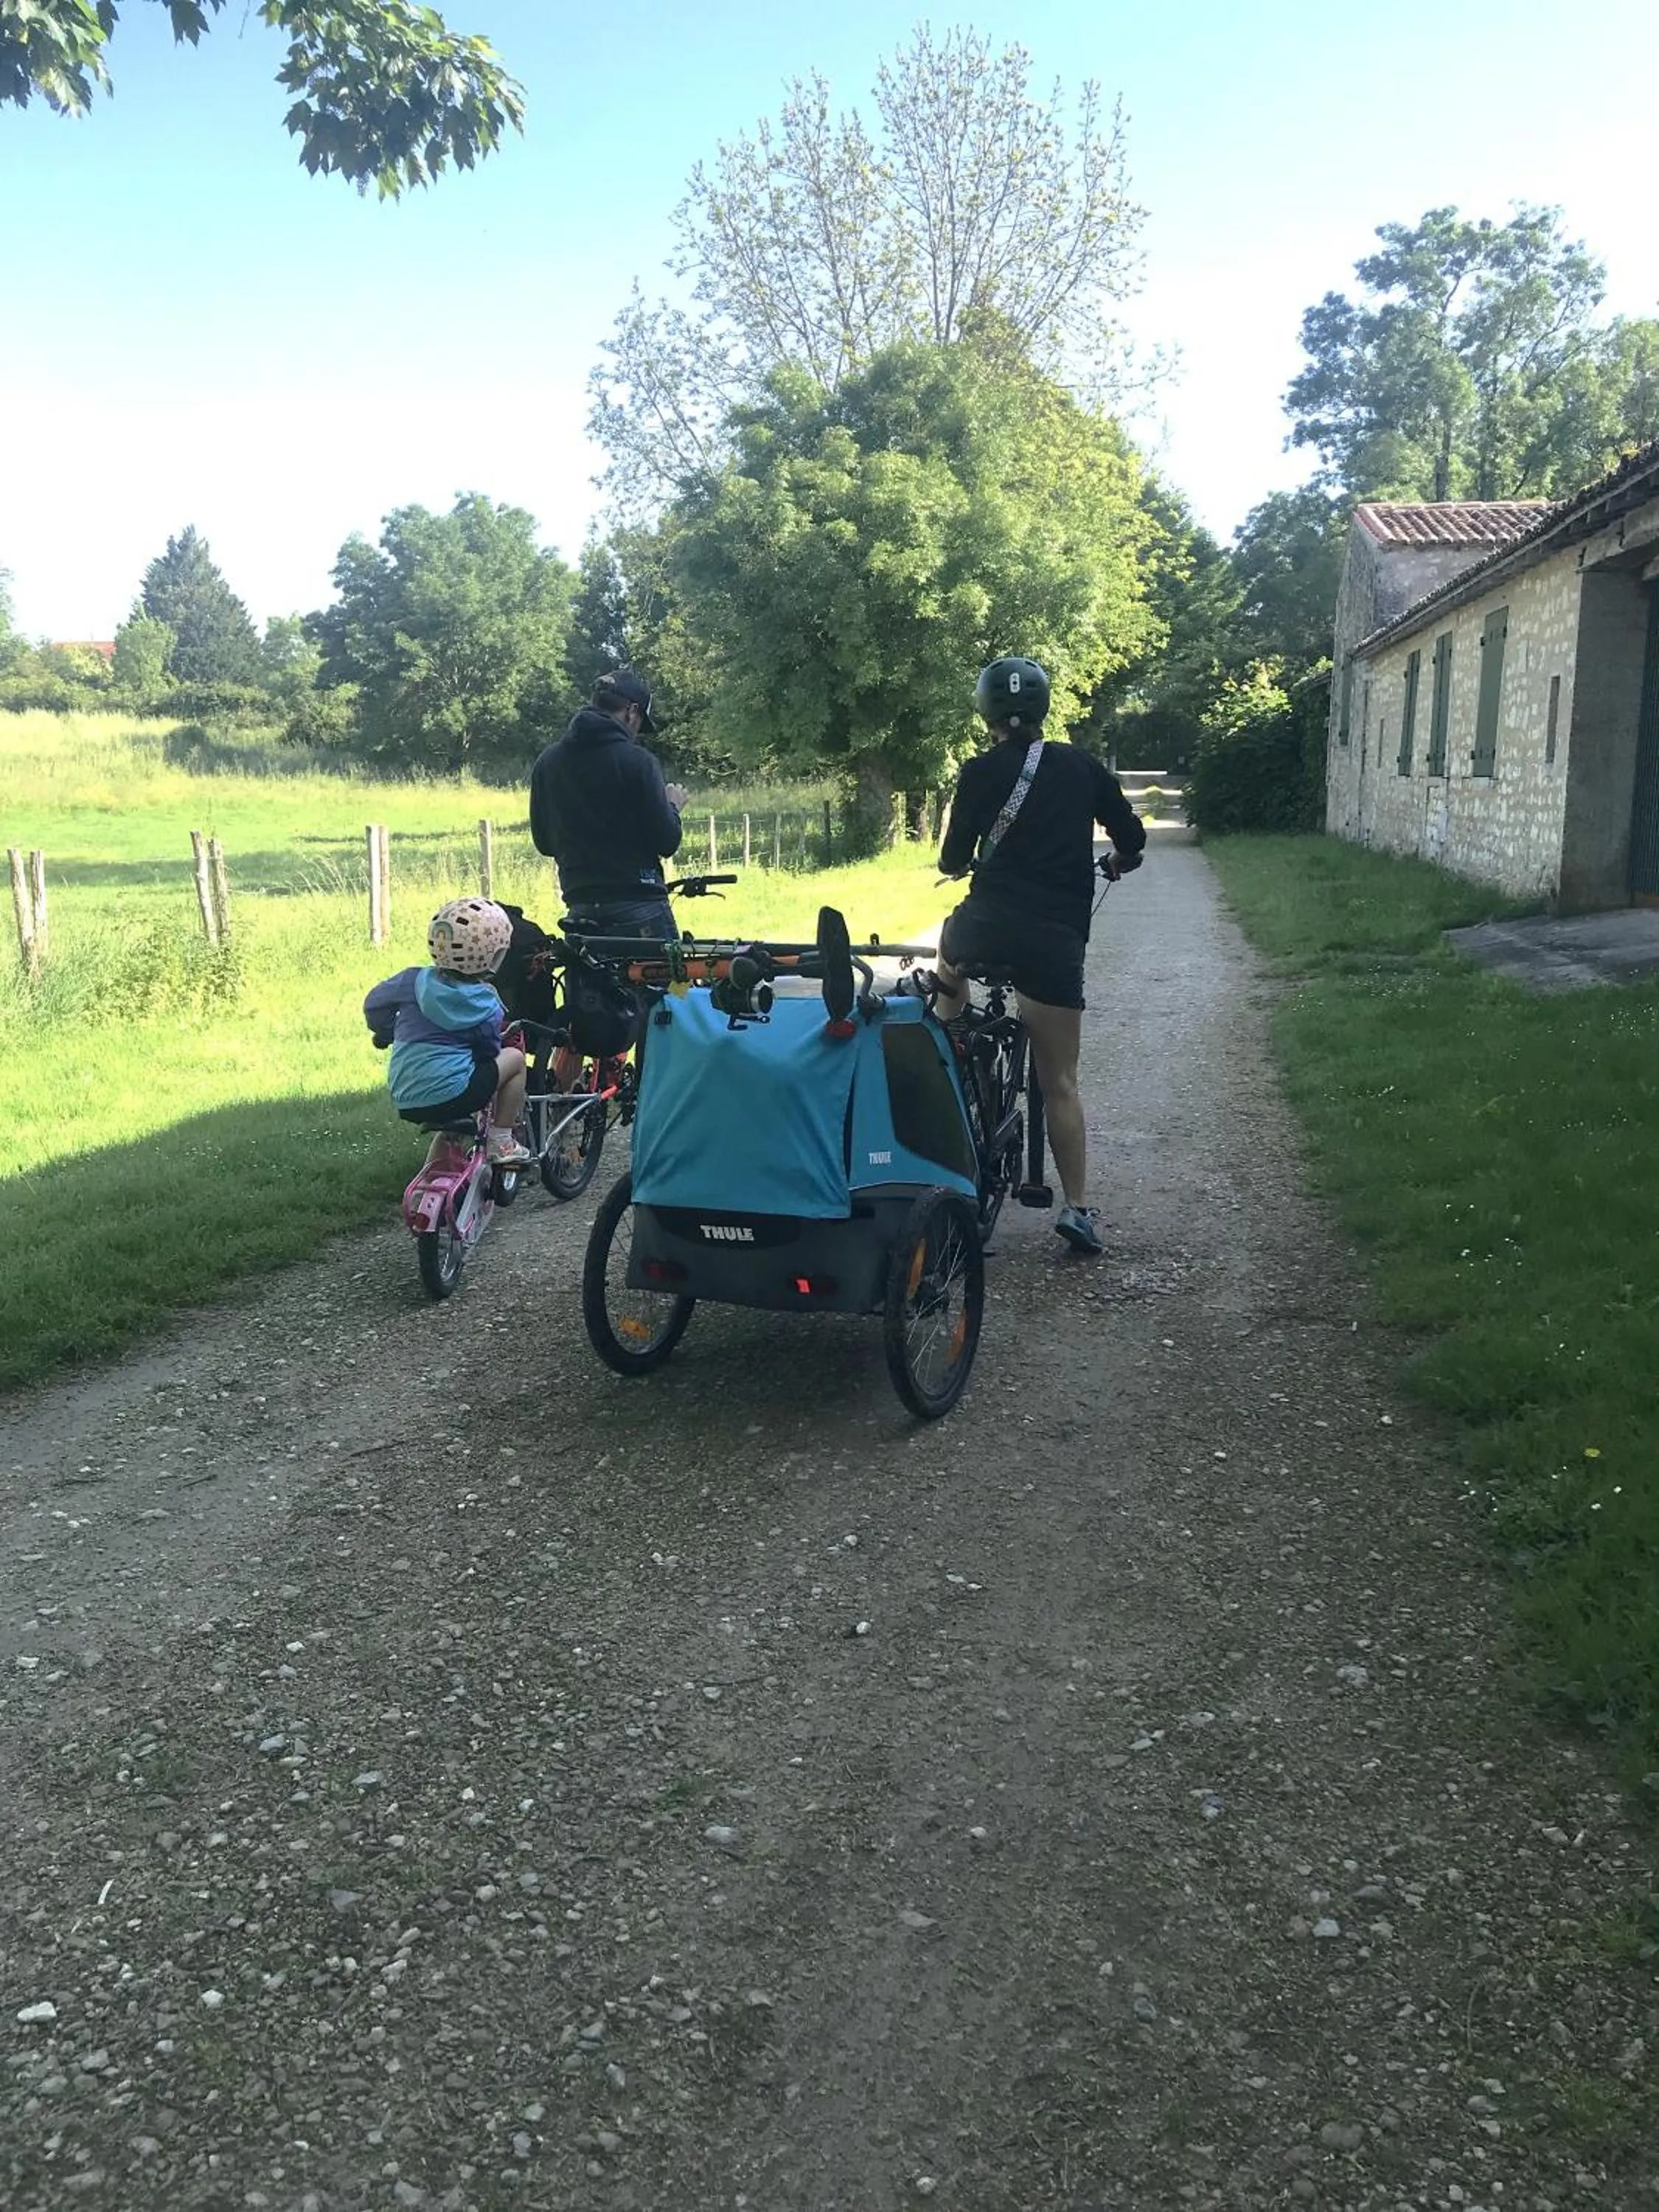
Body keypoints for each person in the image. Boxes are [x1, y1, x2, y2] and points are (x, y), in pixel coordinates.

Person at [932, 656, 1145, 1257]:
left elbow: (952, 861)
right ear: (1044, 707)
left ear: (987, 713)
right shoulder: (1083, 768)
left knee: (948, 956)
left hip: (986, 931)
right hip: (1053, 943)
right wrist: (1117, 862)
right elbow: (1131, 840)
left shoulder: (977, 772)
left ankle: (947, 1041)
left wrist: (966, 866)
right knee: (1060, 1083)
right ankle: (1076, 1209)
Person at [363, 897, 533, 1166]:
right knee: (515, 1060)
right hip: (456, 1092)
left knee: (450, 1118)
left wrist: (385, 1031)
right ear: (496, 955)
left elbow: (374, 1003)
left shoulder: (411, 980)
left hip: (406, 1096)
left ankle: (426, 1188)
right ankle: (501, 1140)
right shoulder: (487, 1003)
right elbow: (489, 1049)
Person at [529, 669, 688, 940]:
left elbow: (544, 843)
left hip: (580, 910)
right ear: (631, 712)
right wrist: (672, 805)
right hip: (639, 905)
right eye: (639, 724)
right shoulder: (638, 761)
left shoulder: (548, 762)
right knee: (659, 983)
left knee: (591, 983)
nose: (637, 733)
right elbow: (667, 842)